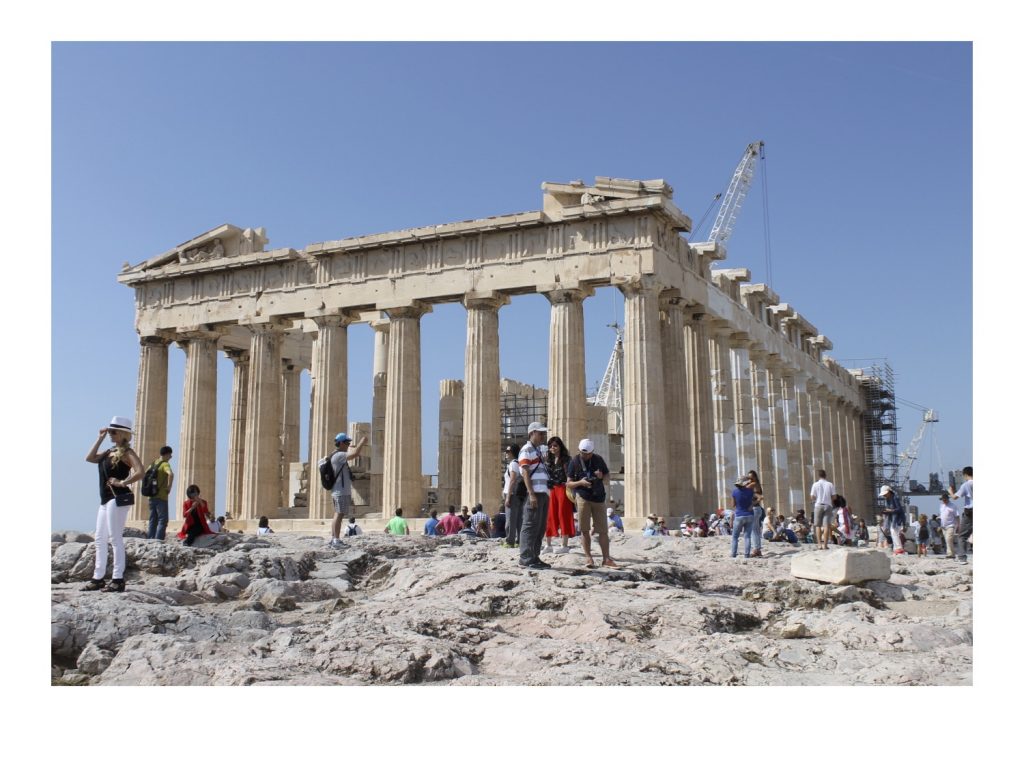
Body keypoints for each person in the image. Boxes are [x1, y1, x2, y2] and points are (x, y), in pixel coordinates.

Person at [83, 416, 144, 593]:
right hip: (104, 499)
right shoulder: (109, 451)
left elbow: (140, 471)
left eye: (113, 431)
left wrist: (123, 482)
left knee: (114, 538)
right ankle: (98, 578)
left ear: (123, 434)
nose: (110, 434)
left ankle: (118, 579)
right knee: (100, 538)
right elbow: (89, 458)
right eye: (109, 431)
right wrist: (100, 437)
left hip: (117, 498)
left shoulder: (127, 452)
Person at [567, 438, 620, 569]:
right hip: (583, 497)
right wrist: (580, 483)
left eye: (588, 454)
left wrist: (602, 477)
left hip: (599, 497)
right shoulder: (574, 461)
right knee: (585, 529)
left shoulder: (598, 459)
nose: (585, 456)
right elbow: (568, 483)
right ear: (579, 450)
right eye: (583, 453)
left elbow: (607, 478)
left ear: (592, 452)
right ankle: (588, 558)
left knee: (603, 530)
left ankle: (606, 559)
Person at [518, 422, 553, 569]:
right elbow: (525, 471)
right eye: (540, 433)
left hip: (543, 493)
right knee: (530, 525)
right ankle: (526, 558)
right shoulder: (526, 449)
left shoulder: (537, 451)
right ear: (532, 433)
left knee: (540, 527)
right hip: (534, 493)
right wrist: (531, 494)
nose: (543, 436)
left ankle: (535, 556)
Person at [326, 432, 369, 549]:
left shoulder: (336, 455)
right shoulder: (339, 455)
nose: (348, 445)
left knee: (338, 514)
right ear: (340, 443)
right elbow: (355, 454)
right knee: (339, 515)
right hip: (341, 491)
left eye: (349, 443)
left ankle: (334, 539)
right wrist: (362, 442)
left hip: (339, 490)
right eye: (346, 443)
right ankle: (336, 540)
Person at [543, 436, 576, 554]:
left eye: (555, 446)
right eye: (550, 446)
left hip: (563, 488)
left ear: (560, 446)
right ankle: (548, 544)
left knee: (563, 514)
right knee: (550, 515)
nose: (552, 448)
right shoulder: (549, 460)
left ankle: (564, 545)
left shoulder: (566, 459)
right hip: (552, 489)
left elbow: (569, 475)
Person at [145, 445, 174, 540]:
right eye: (170, 455)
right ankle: (158, 539)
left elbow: (145, 475)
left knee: (153, 519)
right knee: (163, 519)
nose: (171, 457)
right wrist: (169, 487)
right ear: (167, 454)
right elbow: (170, 474)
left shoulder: (153, 464)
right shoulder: (165, 464)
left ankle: (150, 538)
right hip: (161, 496)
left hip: (151, 496)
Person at [502, 444, 524, 549]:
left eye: (507, 451)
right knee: (518, 518)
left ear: (512, 452)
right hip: (517, 494)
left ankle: (509, 541)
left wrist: (508, 497)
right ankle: (518, 541)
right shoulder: (518, 463)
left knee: (510, 519)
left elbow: (513, 480)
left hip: (512, 494)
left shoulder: (513, 464)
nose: (506, 453)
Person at [808, 469, 837, 550]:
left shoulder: (815, 484)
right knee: (826, 526)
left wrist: (816, 498)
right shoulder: (830, 484)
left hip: (818, 505)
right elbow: (834, 497)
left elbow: (812, 496)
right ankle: (825, 545)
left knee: (817, 525)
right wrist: (828, 498)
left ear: (819, 476)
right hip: (828, 505)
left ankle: (819, 544)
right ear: (825, 475)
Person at [949, 466, 973, 562]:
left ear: (965, 475)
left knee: (962, 536)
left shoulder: (966, 485)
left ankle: (962, 558)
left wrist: (950, 491)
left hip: (970, 511)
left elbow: (955, 497)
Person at [730, 476, 756, 558]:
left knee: (735, 537)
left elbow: (733, 505)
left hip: (739, 515)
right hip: (750, 514)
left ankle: (733, 554)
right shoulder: (750, 491)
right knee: (747, 536)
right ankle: (747, 554)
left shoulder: (734, 492)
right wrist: (751, 505)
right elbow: (754, 501)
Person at [878, 485, 907, 555]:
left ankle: (899, 548)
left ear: (888, 492)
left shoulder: (895, 498)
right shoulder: (887, 500)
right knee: (893, 533)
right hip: (892, 519)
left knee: (894, 532)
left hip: (897, 519)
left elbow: (899, 510)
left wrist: (890, 510)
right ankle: (897, 548)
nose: (884, 496)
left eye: (885, 494)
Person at [938, 491, 960, 560]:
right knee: (947, 540)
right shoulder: (941, 506)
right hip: (943, 526)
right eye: (942, 499)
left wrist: (959, 525)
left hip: (951, 525)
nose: (943, 501)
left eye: (944, 499)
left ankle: (951, 554)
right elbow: (942, 515)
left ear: (947, 499)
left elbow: (957, 516)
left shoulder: (953, 506)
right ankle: (950, 554)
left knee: (948, 539)